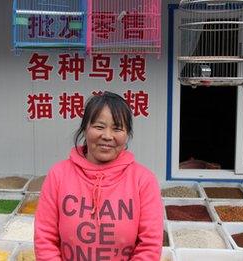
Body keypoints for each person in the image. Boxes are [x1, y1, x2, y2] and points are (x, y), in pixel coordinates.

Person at [34, 91, 163, 261]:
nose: (107, 136)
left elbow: (150, 245)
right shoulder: (58, 175)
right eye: (99, 127)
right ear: (85, 128)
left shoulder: (144, 181)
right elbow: (45, 239)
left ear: (127, 134)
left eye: (117, 128)